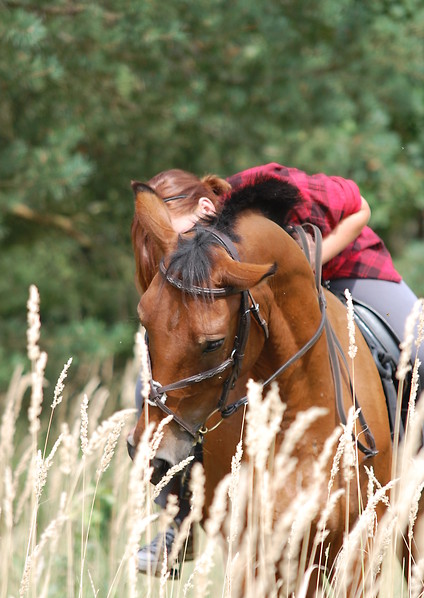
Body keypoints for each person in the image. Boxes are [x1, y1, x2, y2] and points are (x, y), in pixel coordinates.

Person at [133, 163, 424, 574]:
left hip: (352, 272)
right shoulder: (206, 260)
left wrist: (311, 263)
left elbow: (361, 208)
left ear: (204, 207)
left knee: (420, 343)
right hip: (272, 298)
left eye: (184, 237)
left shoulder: (272, 183)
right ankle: (179, 524)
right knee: (164, 377)